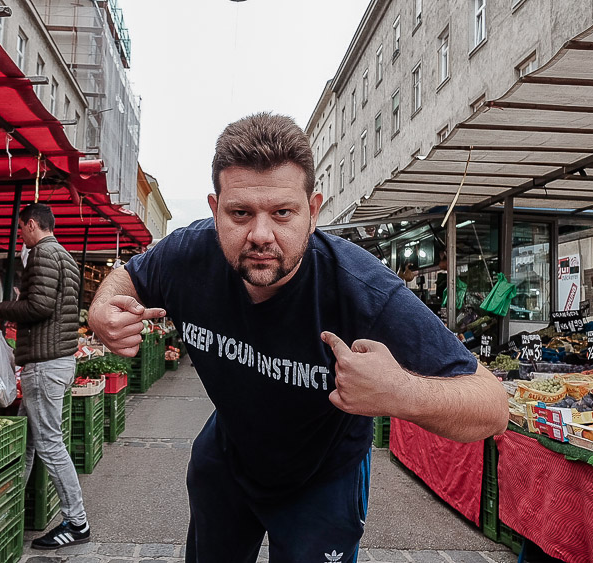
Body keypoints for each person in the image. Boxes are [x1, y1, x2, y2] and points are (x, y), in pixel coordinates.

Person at [88, 113, 508, 563]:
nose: (261, 235)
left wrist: (401, 394)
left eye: (283, 213)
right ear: (215, 210)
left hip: (322, 477)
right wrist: (101, 308)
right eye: (240, 214)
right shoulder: (188, 253)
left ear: (313, 211)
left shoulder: (361, 288)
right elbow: (126, 275)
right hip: (228, 456)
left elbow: (492, 405)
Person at [0, 203, 91, 549]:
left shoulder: (42, 254)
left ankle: (77, 522)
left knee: (48, 444)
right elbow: (51, 304)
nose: (19, 236)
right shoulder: (65, 256)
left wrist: (0, 310)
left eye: (20, 229)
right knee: (28, 443)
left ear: (31, 225)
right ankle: (5, 509)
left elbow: (39, 307)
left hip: (45, 363)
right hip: (54, 360)